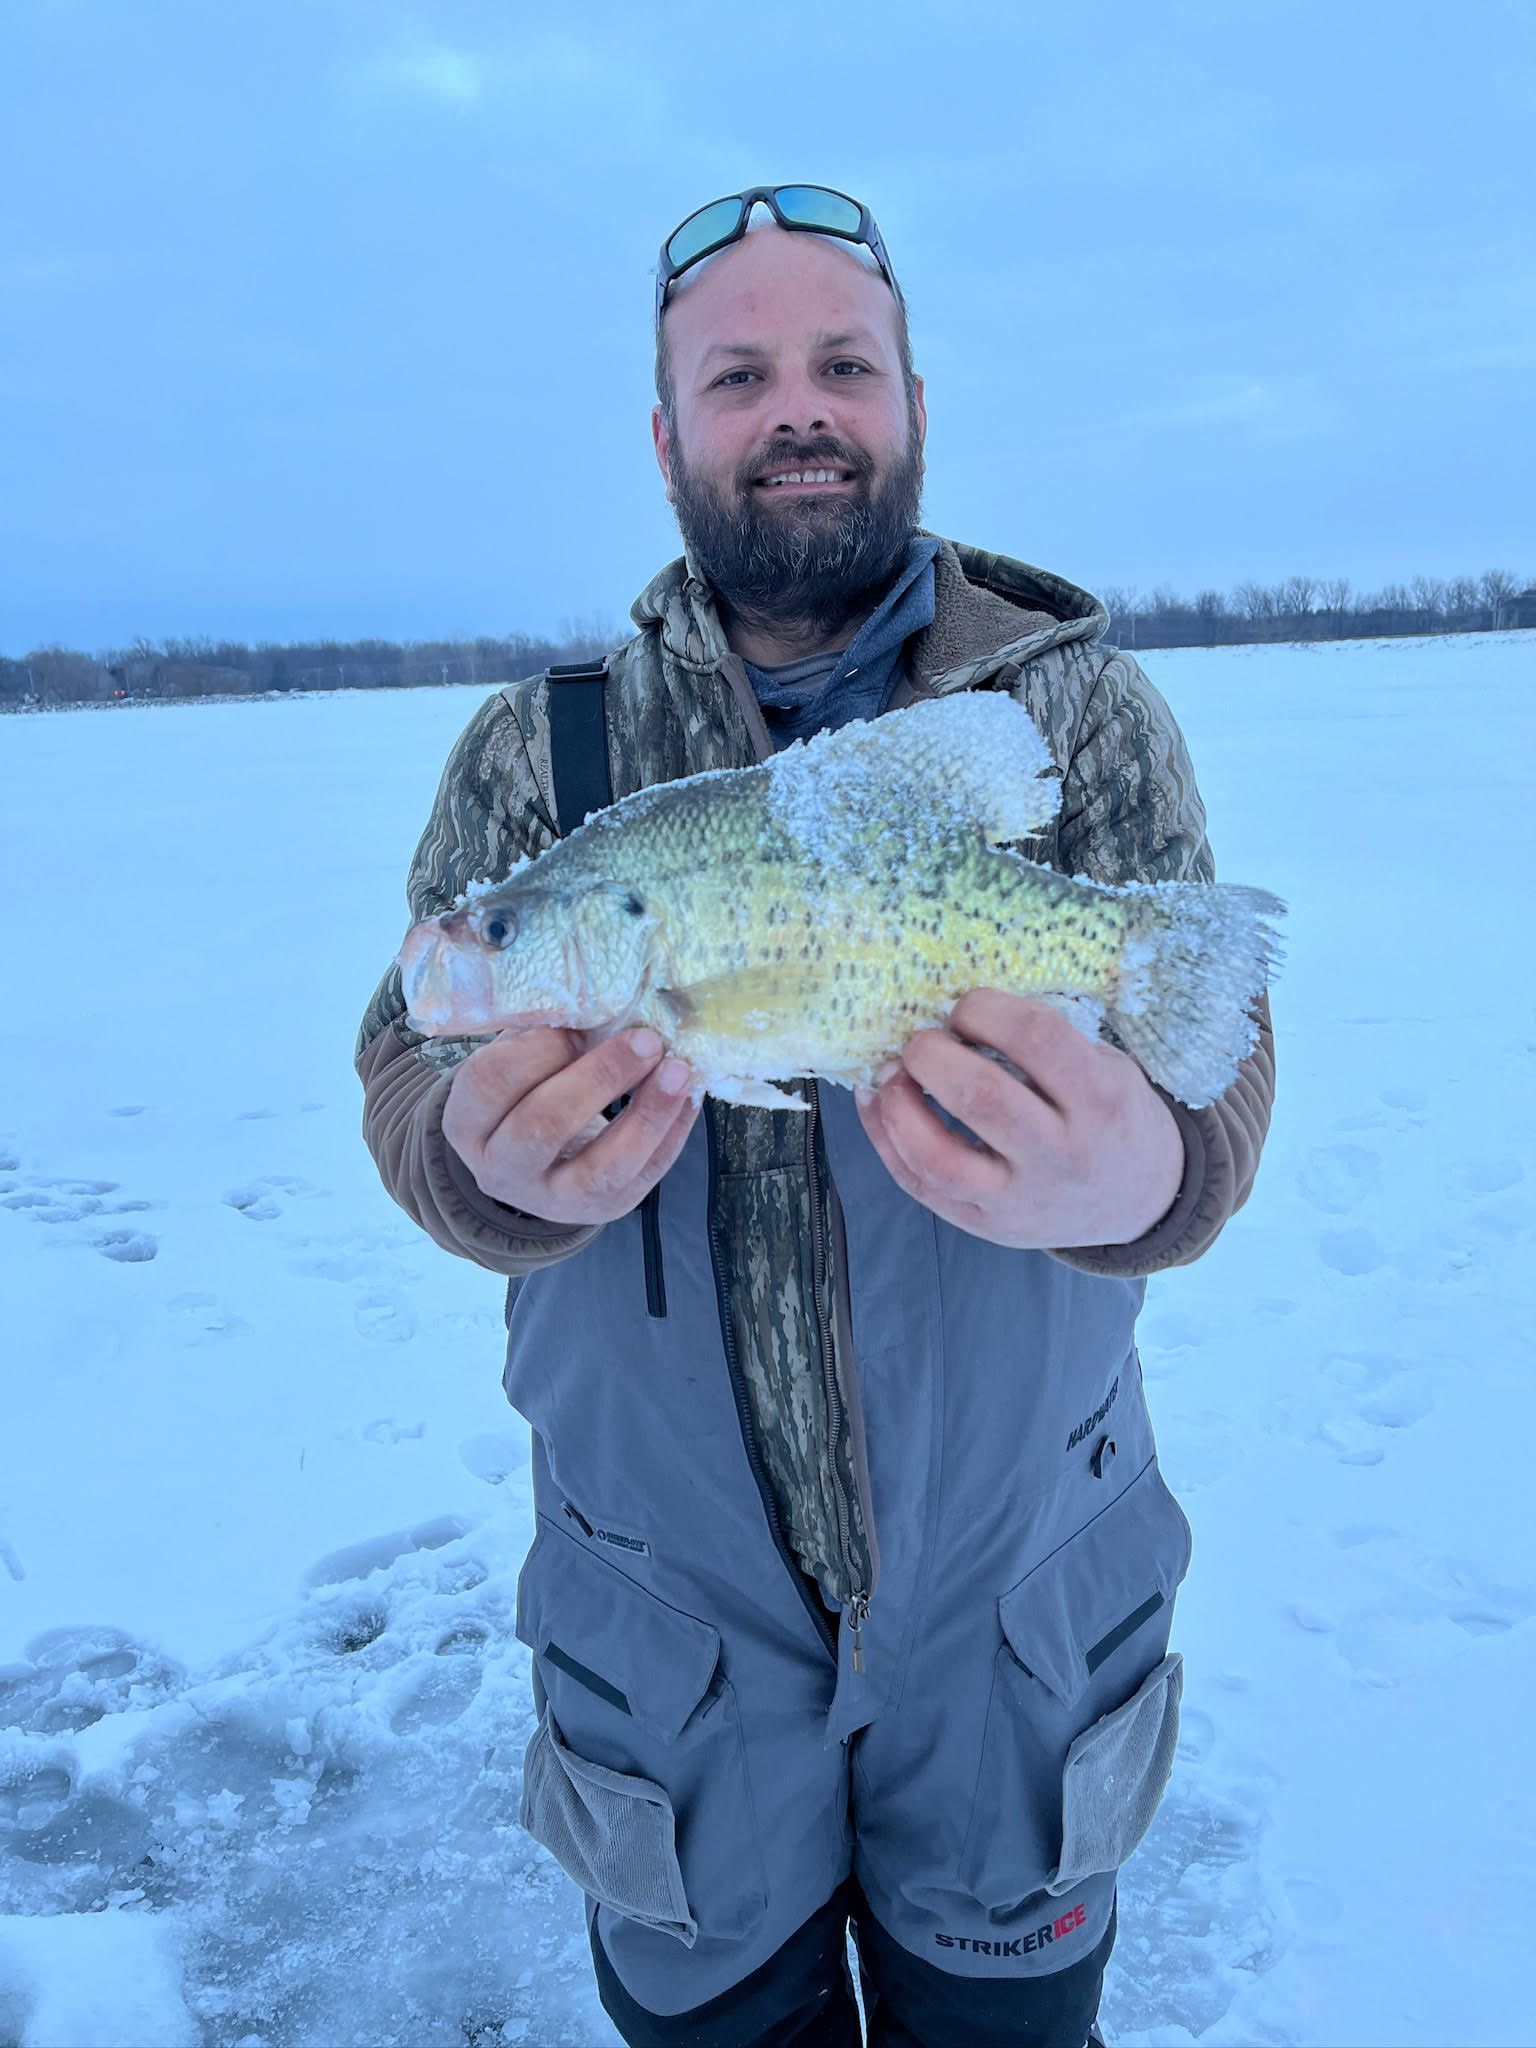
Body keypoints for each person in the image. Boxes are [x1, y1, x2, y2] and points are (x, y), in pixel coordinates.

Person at [355, 183, 1276, 2048]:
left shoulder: (1080, 712)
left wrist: (1158, 1170)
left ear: (913, 403)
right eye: (739, 375)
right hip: (664, 1636)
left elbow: (1219, 1047)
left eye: (844, 366)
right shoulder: (541, 755)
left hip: (1020, 1610)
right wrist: (472, 1166)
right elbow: (408, 1047)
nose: (799, 409)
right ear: (667, 434)